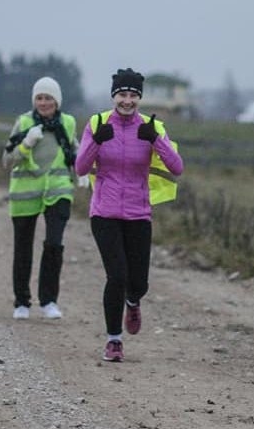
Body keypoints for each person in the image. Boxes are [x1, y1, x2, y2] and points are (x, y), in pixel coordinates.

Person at [75, 68, 184, 362]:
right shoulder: (97, 123)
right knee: (117, 276)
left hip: (138, 213)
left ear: (139, 98)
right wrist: (96, 141)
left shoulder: (152, 126)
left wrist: (155, 140)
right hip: (104, 213)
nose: (127, 100)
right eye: (122, 94)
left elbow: (177, 167)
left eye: (133, 95)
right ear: (114, 97)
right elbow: (81, 168)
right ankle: (114, 341)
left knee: (139, 283)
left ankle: (133, 302)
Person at [2, 77, 88, 320]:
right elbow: (7, 160)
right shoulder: (25, 122)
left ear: (57, 101)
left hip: (58, 191)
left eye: (48, 97)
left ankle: (49, 300)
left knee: (54, 243)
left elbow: (77, 150)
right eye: (39, 98)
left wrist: (83, 171)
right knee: (23, 248)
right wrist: (27, 143)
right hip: (25, 194)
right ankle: (22, 302)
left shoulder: (68, 123)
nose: (43, 102)